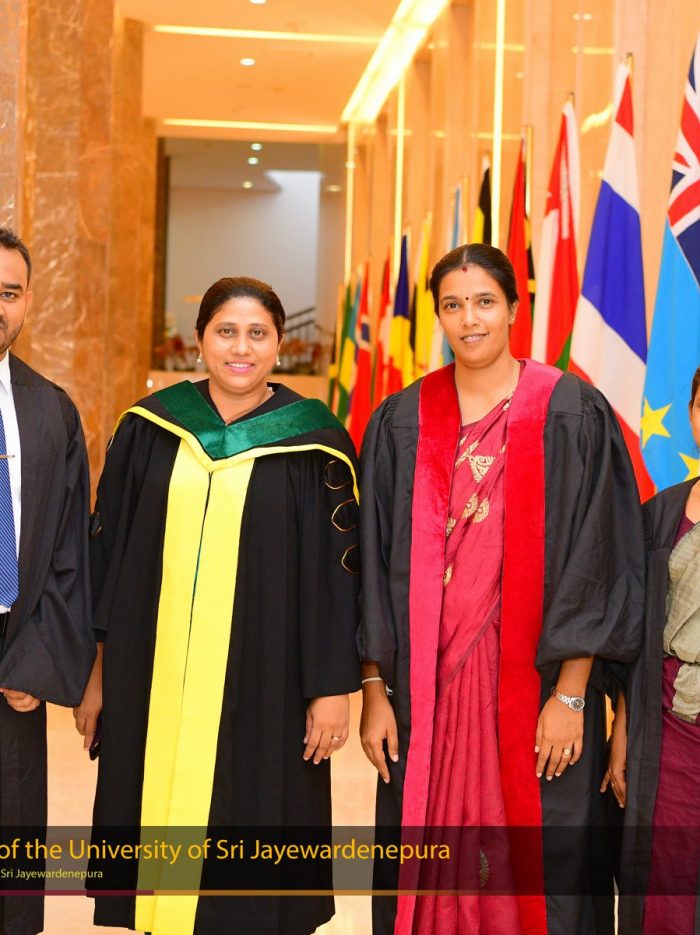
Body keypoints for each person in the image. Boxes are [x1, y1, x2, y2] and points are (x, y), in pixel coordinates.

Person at [358, 243, 645, 935]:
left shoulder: (571, 411)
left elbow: (597, 558)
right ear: (438, 317)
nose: (470, 319)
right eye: (453, 305)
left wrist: (571, 696)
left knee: (542, 863)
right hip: (425, 693)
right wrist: (374, 690)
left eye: (485, 301)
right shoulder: (402, 419)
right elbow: (372, 561)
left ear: (515, 307)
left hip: (539, 689)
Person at [73, 276, 361, 935]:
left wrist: (330, 689)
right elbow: (108, 557)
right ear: (199, 340)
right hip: (153, 676)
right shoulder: (149, 429)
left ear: (279, 345)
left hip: (269, 682)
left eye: (257, 333)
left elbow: (335, 578)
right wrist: (97, 674)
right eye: (226, 331)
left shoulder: (315, 443)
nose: (241, 347)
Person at [0, 227, 94, 935]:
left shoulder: (50, 410)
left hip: (13, 652)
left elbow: (69, 549)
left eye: (9, 292)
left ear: (29, 301)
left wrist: (35, 660)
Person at [615, 366, 700, 935]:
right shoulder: (660, 514)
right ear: (692, 414)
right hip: (666, 733)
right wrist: (623, 729)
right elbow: (634, 636)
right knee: (662, 885)